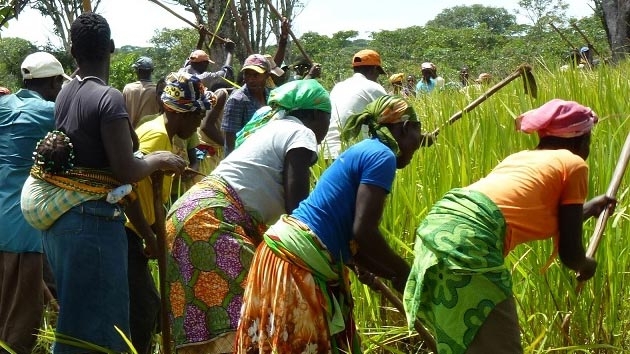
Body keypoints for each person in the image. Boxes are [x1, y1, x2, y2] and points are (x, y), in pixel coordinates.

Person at [19, 13, 186, 354]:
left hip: (64, 222)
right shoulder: (107, 97)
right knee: (104, 334)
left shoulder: (65, 92)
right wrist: (160, 160)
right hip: (92, 223)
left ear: (71, 50)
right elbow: (124, 170)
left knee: (77, 326)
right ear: (110, 47)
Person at [403, 99, 613, 354]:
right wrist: (587, 264)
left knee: (470, 343)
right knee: (500, 346)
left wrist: (589, 209)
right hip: (471, 240)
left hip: (439, 230)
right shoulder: (574, 164)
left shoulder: (519, 158)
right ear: (582, 139)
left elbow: (515, 208)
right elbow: (570, 253)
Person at [235, 95, 426, 353]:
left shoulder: (366, 150)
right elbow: (364, 232)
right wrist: (404, 271)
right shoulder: (383, 157)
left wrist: (379, 270)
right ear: (404, 127)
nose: (419, 140)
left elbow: (348, 233)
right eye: (418, 129)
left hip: (283, 252)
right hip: (295, 262)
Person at [166, 79, 331, 354]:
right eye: (327, 117)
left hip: (188, 213)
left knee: (203, 321)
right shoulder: (300, 132)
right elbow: (298, 212)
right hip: (213, 221)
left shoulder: (271, 129)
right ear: (314, 114)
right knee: (249, 316)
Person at [127, 72, 213, 354]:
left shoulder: (167, 135)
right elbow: (127, 192)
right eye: (197, 116)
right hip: (128, 231)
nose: (200, 122)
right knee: (146, 306)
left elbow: (156, 194)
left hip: (143, 228)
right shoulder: (155, 137)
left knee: (151, 304)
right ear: (181, 113)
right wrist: (149, 237)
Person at [0, 51, 69, 354]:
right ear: (55, 81)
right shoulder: (50, 112)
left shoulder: (2, 106)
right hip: (24, 228)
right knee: (19, 326)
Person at [321, 49, 387, 160]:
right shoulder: (373, 87)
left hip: (326, 152)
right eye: (378, 73)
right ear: (375, 69)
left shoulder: (338, 87)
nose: (377, 78)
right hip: (352, 153)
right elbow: (393, 119)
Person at [221, 54, 271, 155]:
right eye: (247, 74)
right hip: (246, 157)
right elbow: (230, 142)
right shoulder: (237, 100)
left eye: (256, 75)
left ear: (267, 75)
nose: (251, 79)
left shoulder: (271, 96)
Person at [123, 56, 160, 128]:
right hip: (151, 134)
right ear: (152, 71)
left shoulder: (128, 88)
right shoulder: (158, 90)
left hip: (130, 134)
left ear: (137, 71)